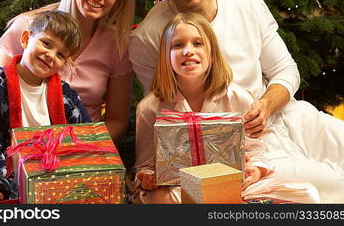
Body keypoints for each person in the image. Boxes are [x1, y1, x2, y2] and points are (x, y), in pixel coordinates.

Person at [129, 0, 344, 201]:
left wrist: (265, 107)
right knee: (324, 189)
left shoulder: (248, 4)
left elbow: (285, 70)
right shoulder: (148, 37)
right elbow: (167, 110)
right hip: (229, 144)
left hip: (279, 115)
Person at [131, 12, 321, 204]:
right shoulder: (150, 108)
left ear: (212, 53)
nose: (188, 51)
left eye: (198, 43)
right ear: (165, 56)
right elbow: (144, 164)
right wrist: (147, 177)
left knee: (306, 194)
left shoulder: (238, 98)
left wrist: (255, 171)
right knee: (163, 199)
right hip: (179, 189)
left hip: (235, 187)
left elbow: (257, 152)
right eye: (178, 45)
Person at [0, 0, 135, 144]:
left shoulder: (117, 44)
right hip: (23, 149)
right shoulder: (28, 27)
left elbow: (117, 121)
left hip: (83, 154)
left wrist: (75, 144)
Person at [0, 10, 92, 204]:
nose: (50, 55)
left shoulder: (66, 94)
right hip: (10, 182)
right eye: (47, 44)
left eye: (60, 54)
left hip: (57, 182)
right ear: (26, 38)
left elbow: (84, 138)